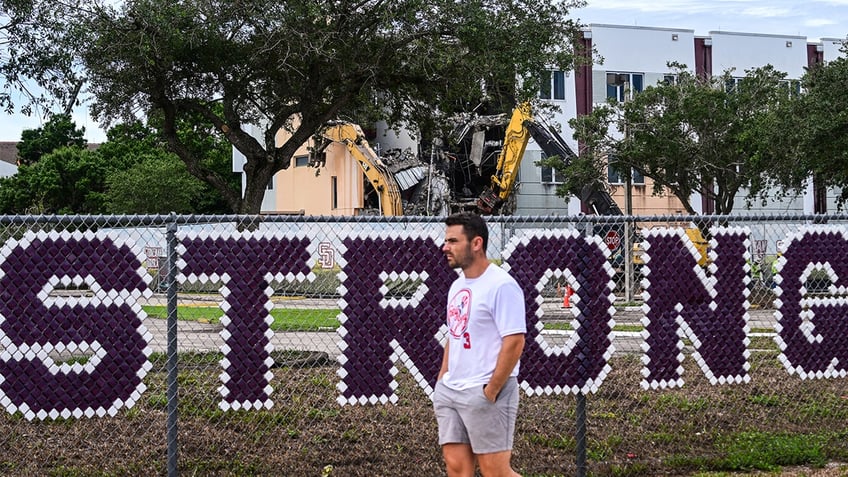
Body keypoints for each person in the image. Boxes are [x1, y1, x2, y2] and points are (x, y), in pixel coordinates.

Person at [434, 212, 526, 477]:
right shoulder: (457, 285)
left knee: (495, 472)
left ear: (476, 243)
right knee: (456, 468)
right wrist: (443, 378)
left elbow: (515, 340)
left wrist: (492, 388)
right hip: (452, 390)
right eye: (446, 240)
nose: (445, 247)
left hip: (485, 391)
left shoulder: (502, 285)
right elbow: (455, 332)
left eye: (453, 241)